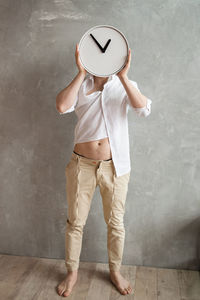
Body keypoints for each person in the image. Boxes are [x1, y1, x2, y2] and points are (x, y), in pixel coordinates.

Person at [56, 43, 152, 297]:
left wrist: (123, 76)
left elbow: (143, 110)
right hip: (81, 166)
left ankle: (115, 271)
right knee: (75, 222)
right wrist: (80, 72)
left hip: (115, 167)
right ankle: (72, 272)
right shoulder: (82, 85)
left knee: (116, 224)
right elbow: (61, 106)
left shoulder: (123, 85)